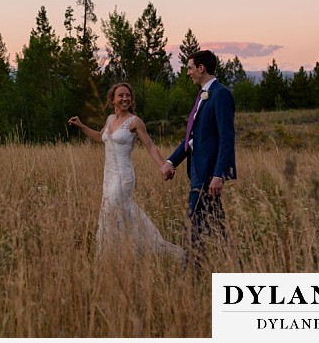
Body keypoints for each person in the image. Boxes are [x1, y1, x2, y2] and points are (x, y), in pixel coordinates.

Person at [69, 82, 183, 259]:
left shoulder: (135, 122)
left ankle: (119, 255)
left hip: (124, 177)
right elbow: (100, 138)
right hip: (108, 176)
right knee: (114, 212)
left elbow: (150, 146)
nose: (125, 99)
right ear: (112, 100)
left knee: (114, 211)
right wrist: (82, 126)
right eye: (121, 95)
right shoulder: (109, 120)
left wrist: (163, 165)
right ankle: (121, 254)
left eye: (128, 95)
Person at [161, 49, 237, 269]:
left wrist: (219, 174)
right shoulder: (204, 95)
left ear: (201, 68)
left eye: (190, 68)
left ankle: (190, 273)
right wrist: (171, 161)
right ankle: (236, 267)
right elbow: (193, 138)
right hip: (198, 172)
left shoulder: (220, 94)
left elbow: (226, 138)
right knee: (218, 227)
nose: (188, 73)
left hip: (207, 175)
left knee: (194, 225)